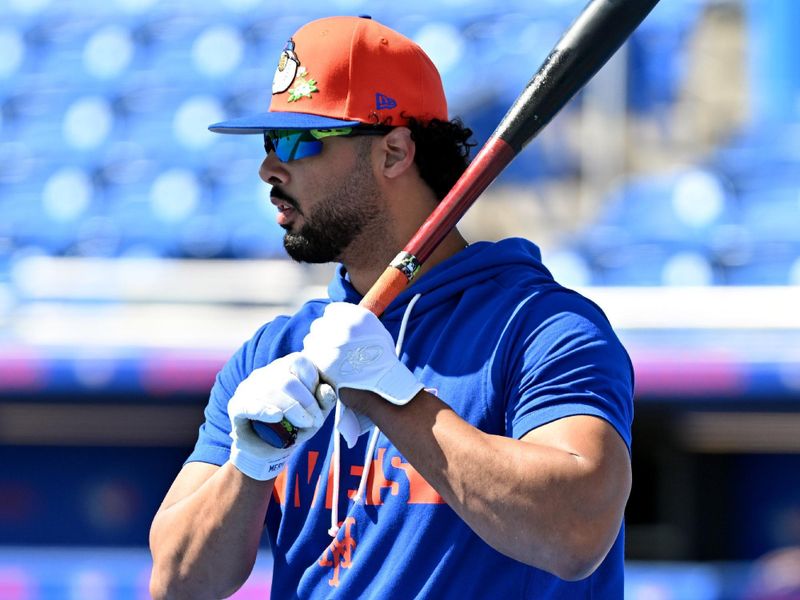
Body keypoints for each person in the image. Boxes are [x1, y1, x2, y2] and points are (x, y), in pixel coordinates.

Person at [148, 15, 634, 600]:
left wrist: (391, 398)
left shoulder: (541, 328)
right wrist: (248, 468)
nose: (268, 170)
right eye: (269, 142)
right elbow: (176, 583)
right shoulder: (273, 352)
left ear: (395, 152)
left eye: (301, 142)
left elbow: (576, 534)